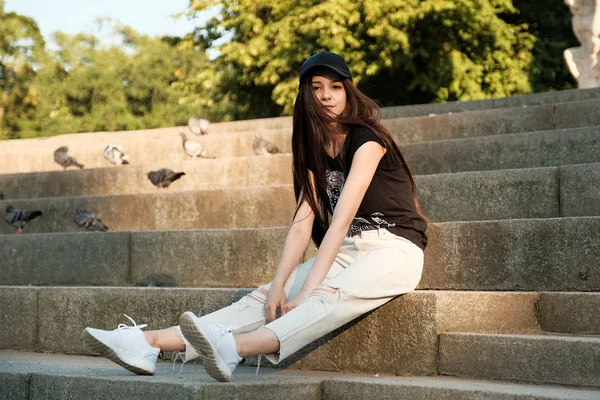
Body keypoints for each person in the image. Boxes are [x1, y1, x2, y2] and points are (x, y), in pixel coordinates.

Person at [82, 51, 428, 382]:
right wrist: (278, 285)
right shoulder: (312, 149)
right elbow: (301, 223)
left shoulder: (367, 139)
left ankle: (234, 348)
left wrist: (306, 291)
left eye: (336, 87)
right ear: (305, 96)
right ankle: (147, 344)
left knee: (324, 297)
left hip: (394, 250)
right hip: (348, 249)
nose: (327, 95)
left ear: (348, 91)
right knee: (261, 300)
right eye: (317, 87)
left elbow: (339, 220)